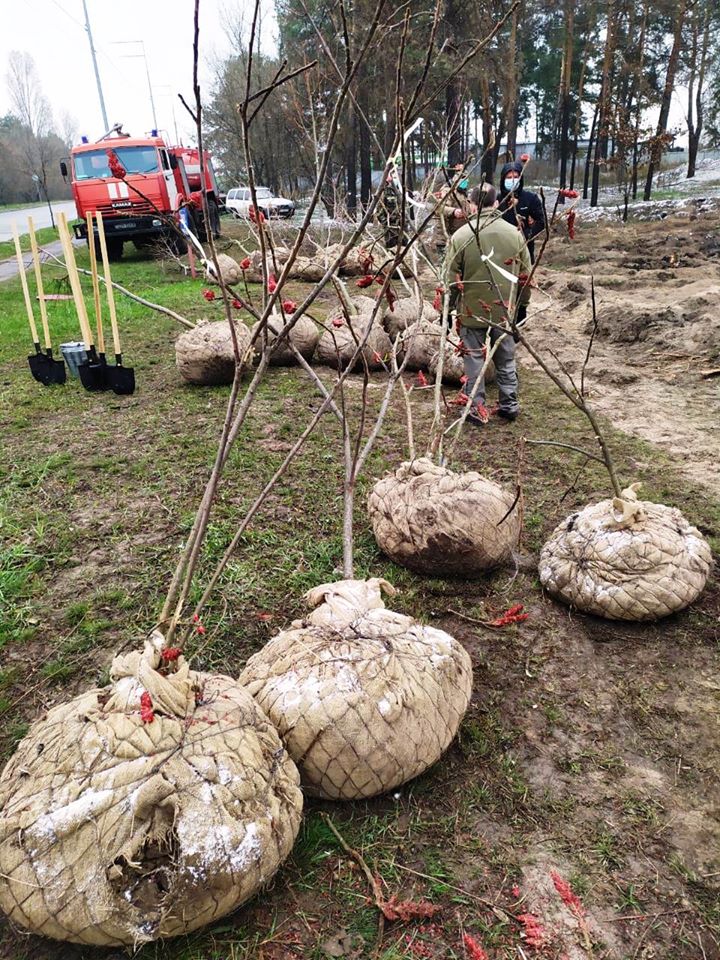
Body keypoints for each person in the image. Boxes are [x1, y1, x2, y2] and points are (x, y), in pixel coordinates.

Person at [444, 183, 532, 424]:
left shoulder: (461, 236)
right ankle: (509, 404)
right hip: (504, 311)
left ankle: (475, 407)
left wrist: (449, 309)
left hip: (472, 311)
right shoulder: (515, 234)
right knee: (505, 358)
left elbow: (451, 278)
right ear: (496, 204)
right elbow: (526, 275)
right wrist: (522, 305)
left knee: (474, 359)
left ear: (471, 205)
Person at [497, 160, 544, 262]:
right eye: (509, 178)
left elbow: (541, 221)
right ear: (503, 179)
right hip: (501, 248)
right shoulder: (497, 200)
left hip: (524, 247)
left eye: (515, 177)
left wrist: (526, 235)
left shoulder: (530, 198)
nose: (512, 181)